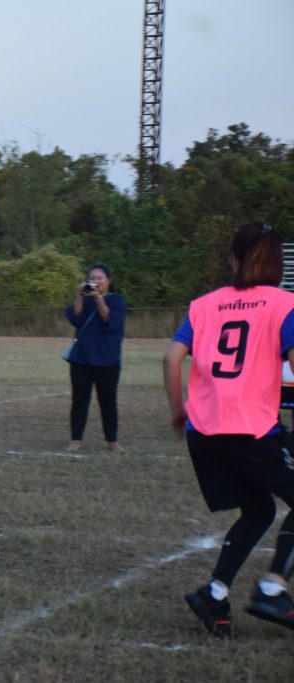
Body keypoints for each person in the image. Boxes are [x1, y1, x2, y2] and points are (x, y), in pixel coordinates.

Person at [164, 220, 294, 638]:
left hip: (204, 432)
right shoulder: (284, 304)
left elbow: (171, 359)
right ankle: (272, 589)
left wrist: (179, 412)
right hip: (251, 430)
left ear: (234, 260)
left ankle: (214, 593)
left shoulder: (205, 304)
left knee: (259, 510)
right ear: (278, 264)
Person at [64, 264, 126, 452]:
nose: (96, 281)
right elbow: (75, 317)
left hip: (107, 359)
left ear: (109, 281)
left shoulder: (117, 300)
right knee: (79, 401)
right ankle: (76, 440)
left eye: (100, 278)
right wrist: (79, 295)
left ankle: (112, 441)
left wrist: (98, 298)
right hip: (81, 359)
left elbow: (109, 320)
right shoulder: (85, 299)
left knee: (108, 402)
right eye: (92, 278)